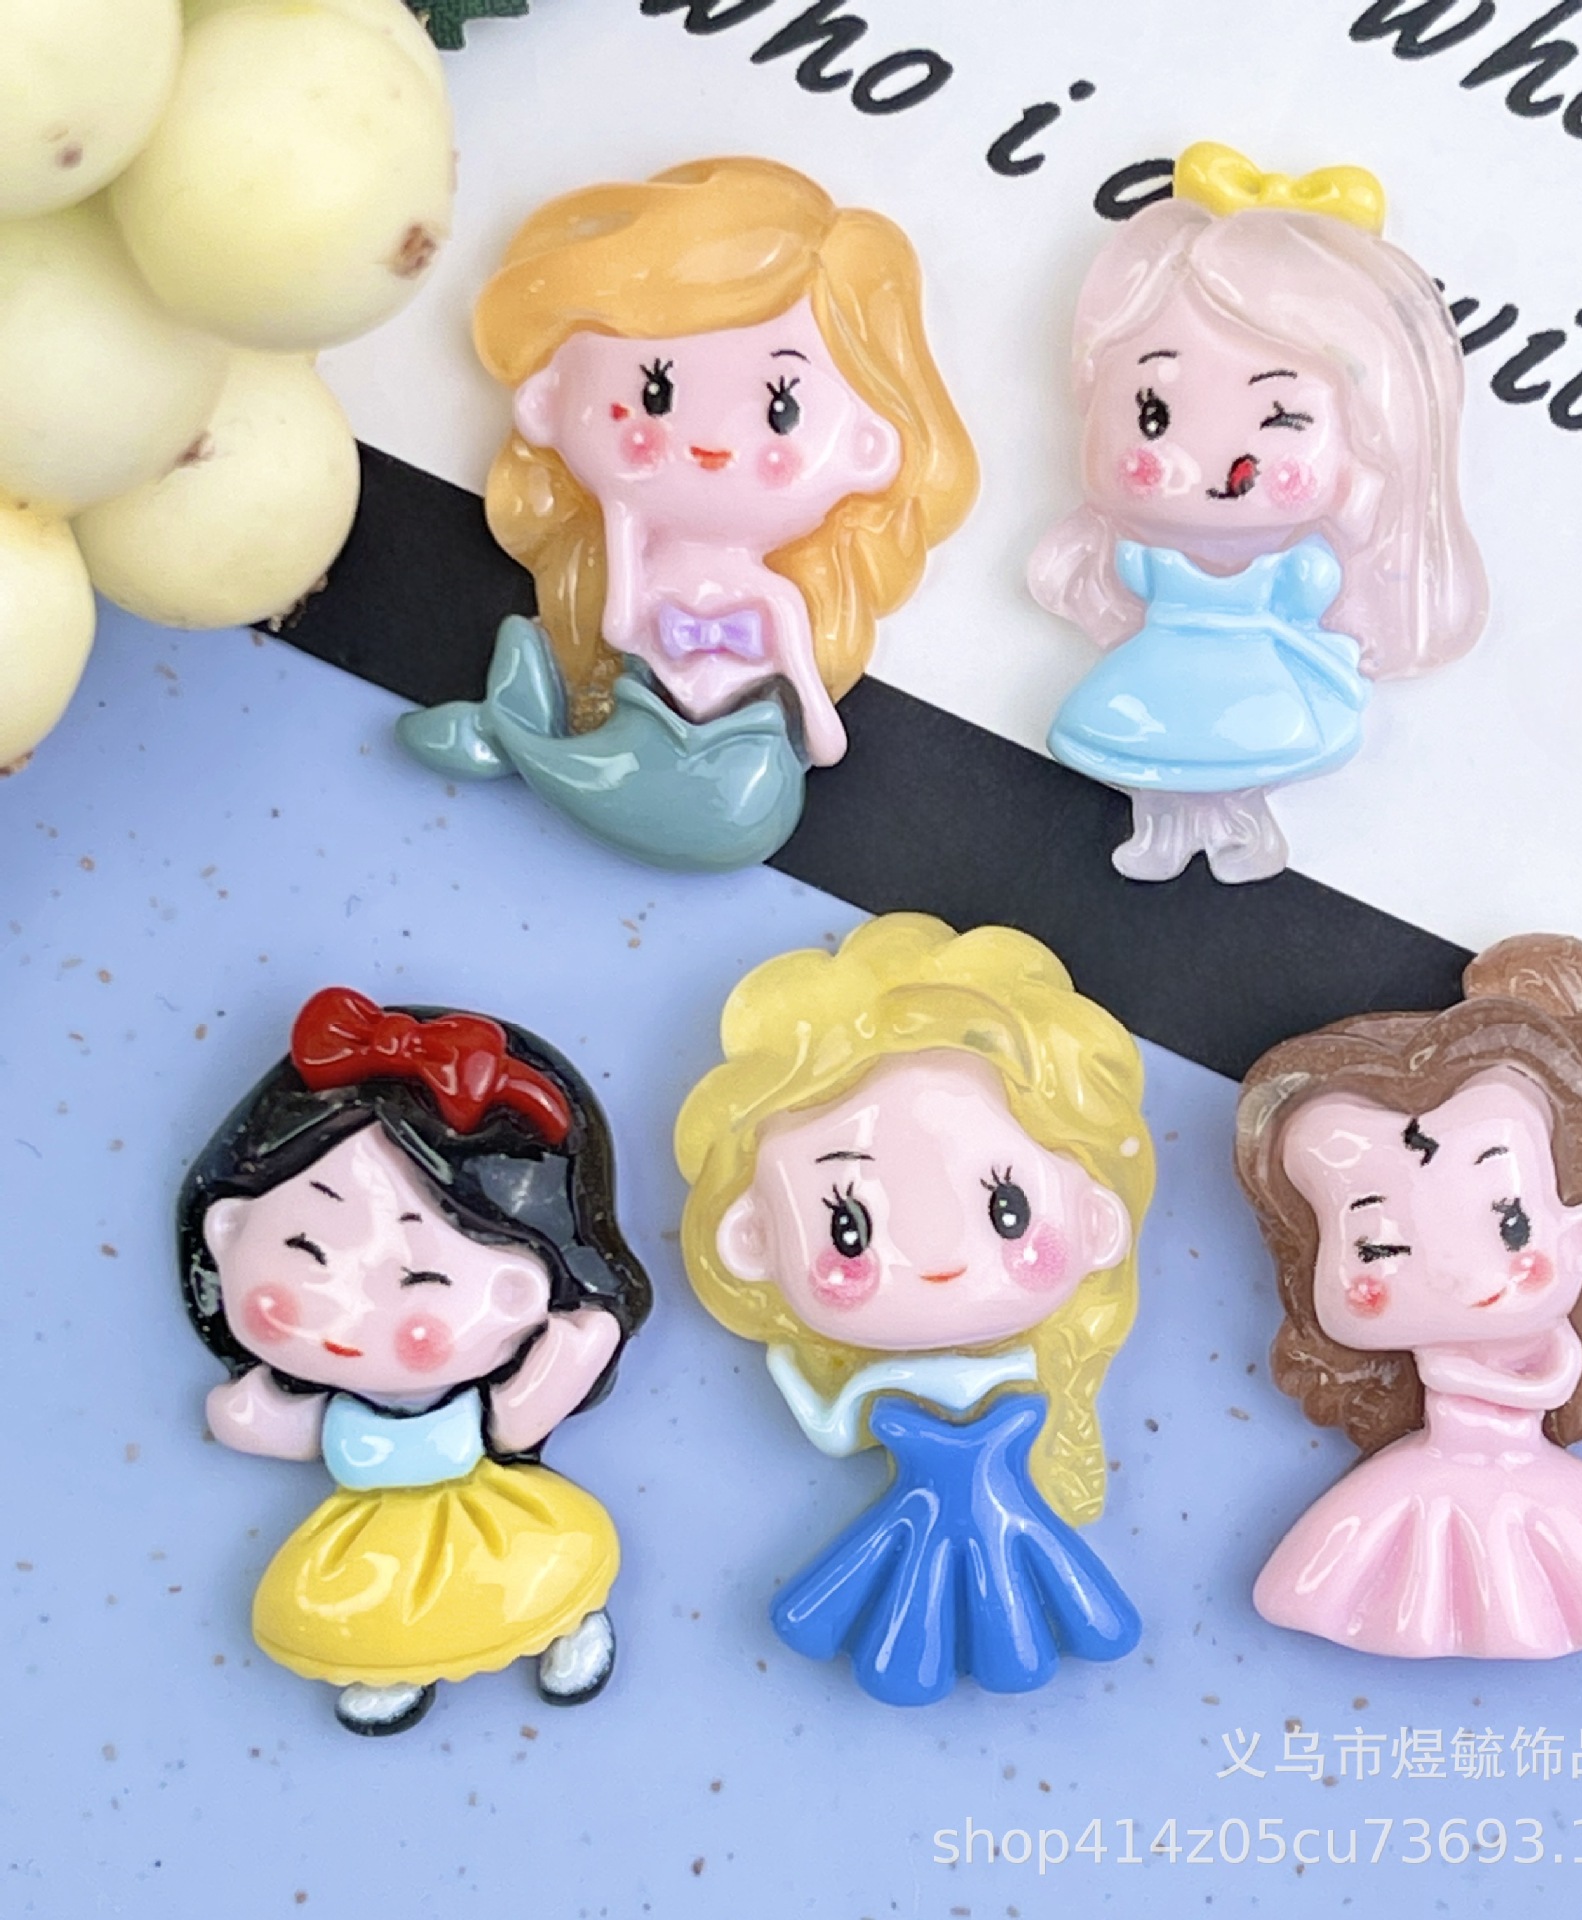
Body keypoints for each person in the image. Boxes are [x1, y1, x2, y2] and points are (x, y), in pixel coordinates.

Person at [400, 156, 978, 870]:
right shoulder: (653, 563)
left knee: (745, 805)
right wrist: (622, 515)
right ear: (548, 400)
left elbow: (803, 686)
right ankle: (521, 738)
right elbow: (618, 627)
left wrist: (820, 731)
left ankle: (517, 739)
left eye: (781, 408)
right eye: (656, 392)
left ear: (868, 446)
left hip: (741, 774)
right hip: (642, 726)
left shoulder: (775, 597)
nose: (710, 443)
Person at [675, 915, 1154, 1704]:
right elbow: (834, 1431)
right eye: (849, 1226)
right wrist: (794, 1372)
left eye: (1007, 1210)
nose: (938, 1258)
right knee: (924, 1607)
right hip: (932, 1510)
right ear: (753, 1237)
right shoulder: (922, 1380)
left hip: (985, 1507)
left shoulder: (1029, 1367)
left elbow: (834, 1430)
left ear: (1095, 1218)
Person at [1233, 933, 1582, 1658]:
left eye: (1507, 1222)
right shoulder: (1376, 1498)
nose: (1453, 1274)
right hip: (1411, 1491)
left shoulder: (1565, 1389)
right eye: (1376, 1246)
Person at [178, 987, 650, 1733]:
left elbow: (516, 1419)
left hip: (490, 1509)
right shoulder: (335, 1410)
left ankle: (569, 1626)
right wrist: (258, 1421)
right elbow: (285, 1425)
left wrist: (570, 1356)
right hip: (368, 1534)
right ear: (227, 1230)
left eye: (420, 1279)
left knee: (539, 1571)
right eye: (304, 1249)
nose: (348, 1313)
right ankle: (392, 1668)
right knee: (369, 1608)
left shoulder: (484, 1404)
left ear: (519, 1290)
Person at [1031, 142, 1487, 882]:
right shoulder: (1145, 560)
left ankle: (1240, 830)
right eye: (1154, 413)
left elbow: (1310, 586)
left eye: (1281, 418)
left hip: (1257, 693)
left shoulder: (1297, 567)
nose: (1220, 465)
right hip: (1160, 679)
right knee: (1160, 766)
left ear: (1366, 436)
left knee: (1237, 764)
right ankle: (1161, 833)